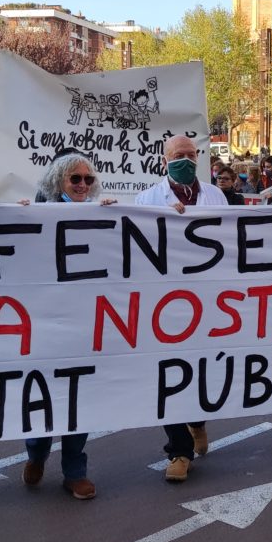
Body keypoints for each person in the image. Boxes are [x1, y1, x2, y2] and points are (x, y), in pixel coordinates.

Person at [20, 153, 114, 501]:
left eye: (88, 180)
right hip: (44, 324)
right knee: (44, 396)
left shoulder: (100, 213)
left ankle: (75, 472)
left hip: (86, 325)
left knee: (79, 400)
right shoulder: (36, 213)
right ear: (58, 180)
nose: (82, 186)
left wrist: (114, 216)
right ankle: (37, 453)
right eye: (75, 179)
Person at [135, 135, 227, 483]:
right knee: (169, 372)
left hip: (208, 298)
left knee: (203, 367)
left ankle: (198, 422)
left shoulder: (215, 195)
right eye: (178, 156)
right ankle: (178, 450)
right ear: (164, 161)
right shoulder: (148, 199)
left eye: (191, 155)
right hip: (167, 301)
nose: (185, 161)